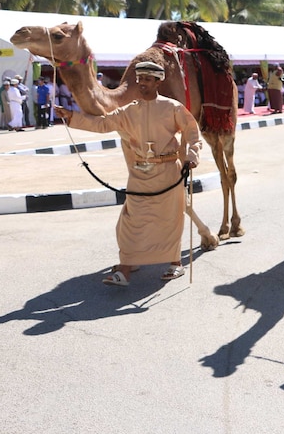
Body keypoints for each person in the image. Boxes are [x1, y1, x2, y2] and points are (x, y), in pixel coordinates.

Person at [54, 61, 202, 286]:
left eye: (147, 80)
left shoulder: (173, 107)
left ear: (158, 81)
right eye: (140, 79)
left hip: (168, 173)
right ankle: (125, 270)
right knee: (131, 221)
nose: (142, 84)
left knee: (170, 219)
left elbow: (192, 132)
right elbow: (103, 124)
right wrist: (72, 117)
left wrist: (192, 155)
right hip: (140, 173)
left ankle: (175, 264)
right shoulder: (129, 110)